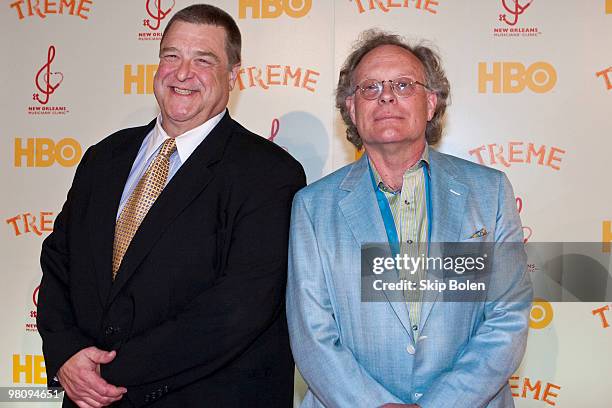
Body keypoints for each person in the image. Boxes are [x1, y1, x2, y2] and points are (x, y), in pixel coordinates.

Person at [37, 4, 305, 407]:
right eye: (171, 56)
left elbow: (238, 310)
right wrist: (66, 356)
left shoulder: (269, 174)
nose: (182, 73)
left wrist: (103, 373)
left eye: (203, 60)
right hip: (85, 397)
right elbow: (59, 263)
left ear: (233, 76)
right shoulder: (103, 157)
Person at [286, 30, 532, 407]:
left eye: (403, 85)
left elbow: (507, 316)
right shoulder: (312, 207)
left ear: (431, 103)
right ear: (351, 108)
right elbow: (312, 334)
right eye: (370, 88)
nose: (386, 96)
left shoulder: (490, 193)